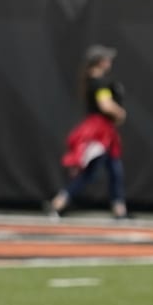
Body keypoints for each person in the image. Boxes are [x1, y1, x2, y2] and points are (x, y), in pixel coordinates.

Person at [48, 44, 128, 220]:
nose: (109, 62)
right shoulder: (99, 83)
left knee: (115, 169)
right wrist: (120, 112)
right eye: (106, 59)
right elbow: (105, 105)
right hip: (99, 132)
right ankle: (59, 202)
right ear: (99, 62)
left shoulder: (95, 81)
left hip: (105, 130)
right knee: (91, 171)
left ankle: (119, 209)